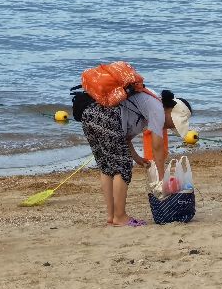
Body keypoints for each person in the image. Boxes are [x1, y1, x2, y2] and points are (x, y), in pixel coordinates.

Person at [81, 87, 192, 227]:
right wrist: (162, 179)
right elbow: (157, 147)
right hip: (107, 115)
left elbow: (125, 138)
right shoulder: (157, 108)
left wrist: (136, 157)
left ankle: (111, 216)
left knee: (106, 167)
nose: (168, 127)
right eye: (172, 123)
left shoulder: (145, 111)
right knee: (122, 167)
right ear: (170, 111)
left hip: (90, 114)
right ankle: (120, 217)